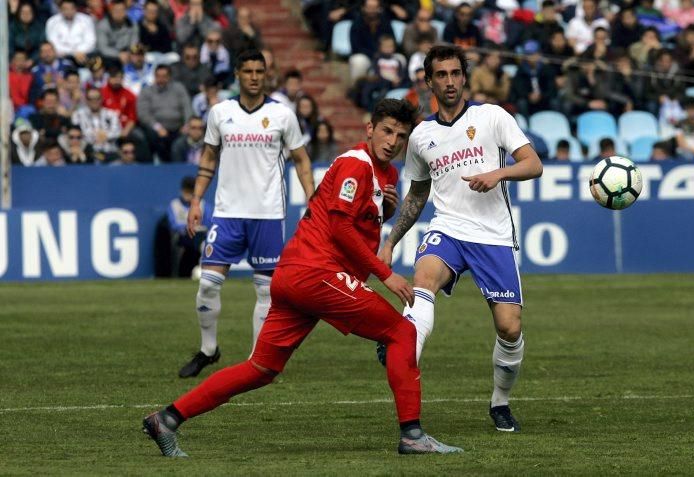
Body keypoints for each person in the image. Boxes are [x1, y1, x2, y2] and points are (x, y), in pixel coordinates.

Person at [142, 98, 463, 456]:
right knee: (402, 332)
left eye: (401, 136)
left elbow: (353, 221)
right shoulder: (356, 164)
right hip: (317, 273)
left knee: (261, 368)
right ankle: (412, 436)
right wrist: (385, 274)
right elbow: (340, 228)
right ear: (369, 129)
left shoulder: (384, 175)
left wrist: (383, 211)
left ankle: (167, 419)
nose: (393, 141)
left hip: (295, 275)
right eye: (387, 131)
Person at [376, 45, 543, 433]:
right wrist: (391, 241)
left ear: (464, 76)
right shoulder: (421, 136)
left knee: (509, 328)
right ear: (429, 80)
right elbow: (418, 194)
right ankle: (403, 353)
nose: (449, 81)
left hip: (493, 235)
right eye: (441, 75)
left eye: (455, 73)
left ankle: (500, 402)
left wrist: (497, 175)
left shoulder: (492, 117)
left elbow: (533, 164)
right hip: (447, 228)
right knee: (424, 280)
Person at [177, 50, 316, 379]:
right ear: (237, 74)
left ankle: (256, 361)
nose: (254, 76)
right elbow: (209, 158)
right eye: (248, 71)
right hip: (227, 213)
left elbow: (301, 159)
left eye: (260, 71)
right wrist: (196, 201)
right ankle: (208, 349)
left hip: (267, 214)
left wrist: (312, 200)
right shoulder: (220, 113)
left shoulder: (282, 115)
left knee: (266, 291)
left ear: (267, 75)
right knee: (207, 285)